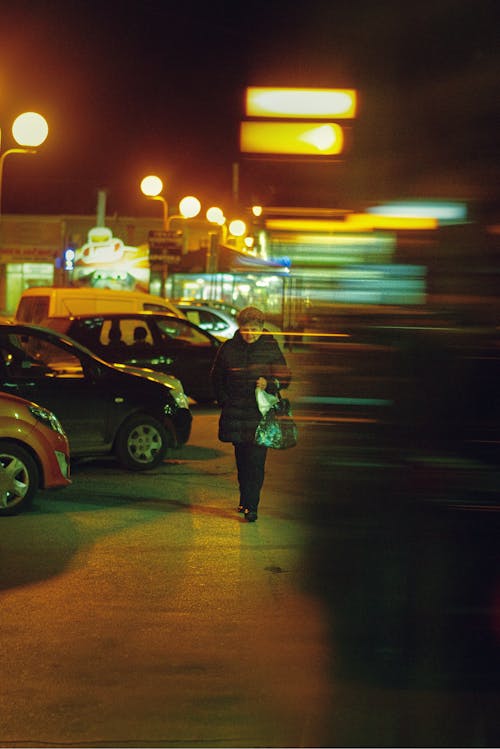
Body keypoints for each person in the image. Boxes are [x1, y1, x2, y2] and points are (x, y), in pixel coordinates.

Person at [210, 306, 291, 522]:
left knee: (256, 463)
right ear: (240, 328)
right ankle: (245, 500)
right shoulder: (228, 348)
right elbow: (216, 377)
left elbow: (285, 378)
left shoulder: (270, 347)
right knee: (242, 462)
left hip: (260, 416)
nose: (250, 334)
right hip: (236, 413)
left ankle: (252, 506)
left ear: (262, 328)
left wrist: (270, 383)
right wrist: (224, 400)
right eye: (246, 329)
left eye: (254, 329)